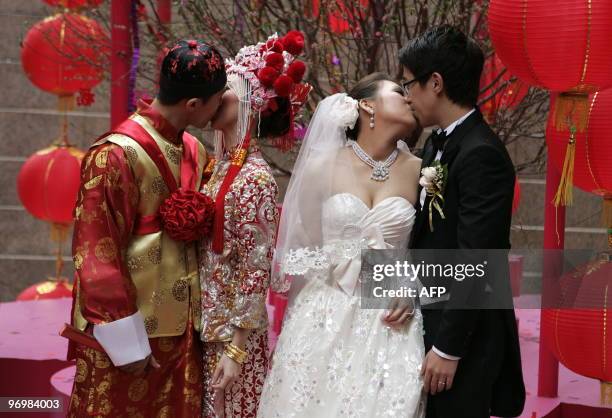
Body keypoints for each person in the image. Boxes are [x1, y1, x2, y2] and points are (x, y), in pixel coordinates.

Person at [66, 39, 226, 417]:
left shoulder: (194, 149)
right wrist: (127, 343)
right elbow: (95, 254)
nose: (220, 106)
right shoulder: (115, 154)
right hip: (133, 332)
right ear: (193, 105)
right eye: (218, 99)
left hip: (182, 331)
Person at [257, 72, 426, 418]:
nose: (408, 98)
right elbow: (310, 246)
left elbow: (426, 248)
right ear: (366, 105)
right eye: (397, 92)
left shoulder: (422, 171)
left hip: (391, 315)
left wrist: (411, 283)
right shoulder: (321, 169)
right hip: (325, 314)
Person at [400, 25, 525, 418]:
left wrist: (447, 348)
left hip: (463, 339)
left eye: (408, 85)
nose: (406, 96)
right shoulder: (439, 143)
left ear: (434, 82)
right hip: (429, 315)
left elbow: (477, 260)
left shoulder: (480, 154)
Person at [197, 31, 311, 418]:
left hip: (232, 334)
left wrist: (236, 348)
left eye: (224, 89)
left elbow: (255, 269)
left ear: (248, 100)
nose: (215, 96)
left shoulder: (255, 177)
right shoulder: (220, 167)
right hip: (207, 325)